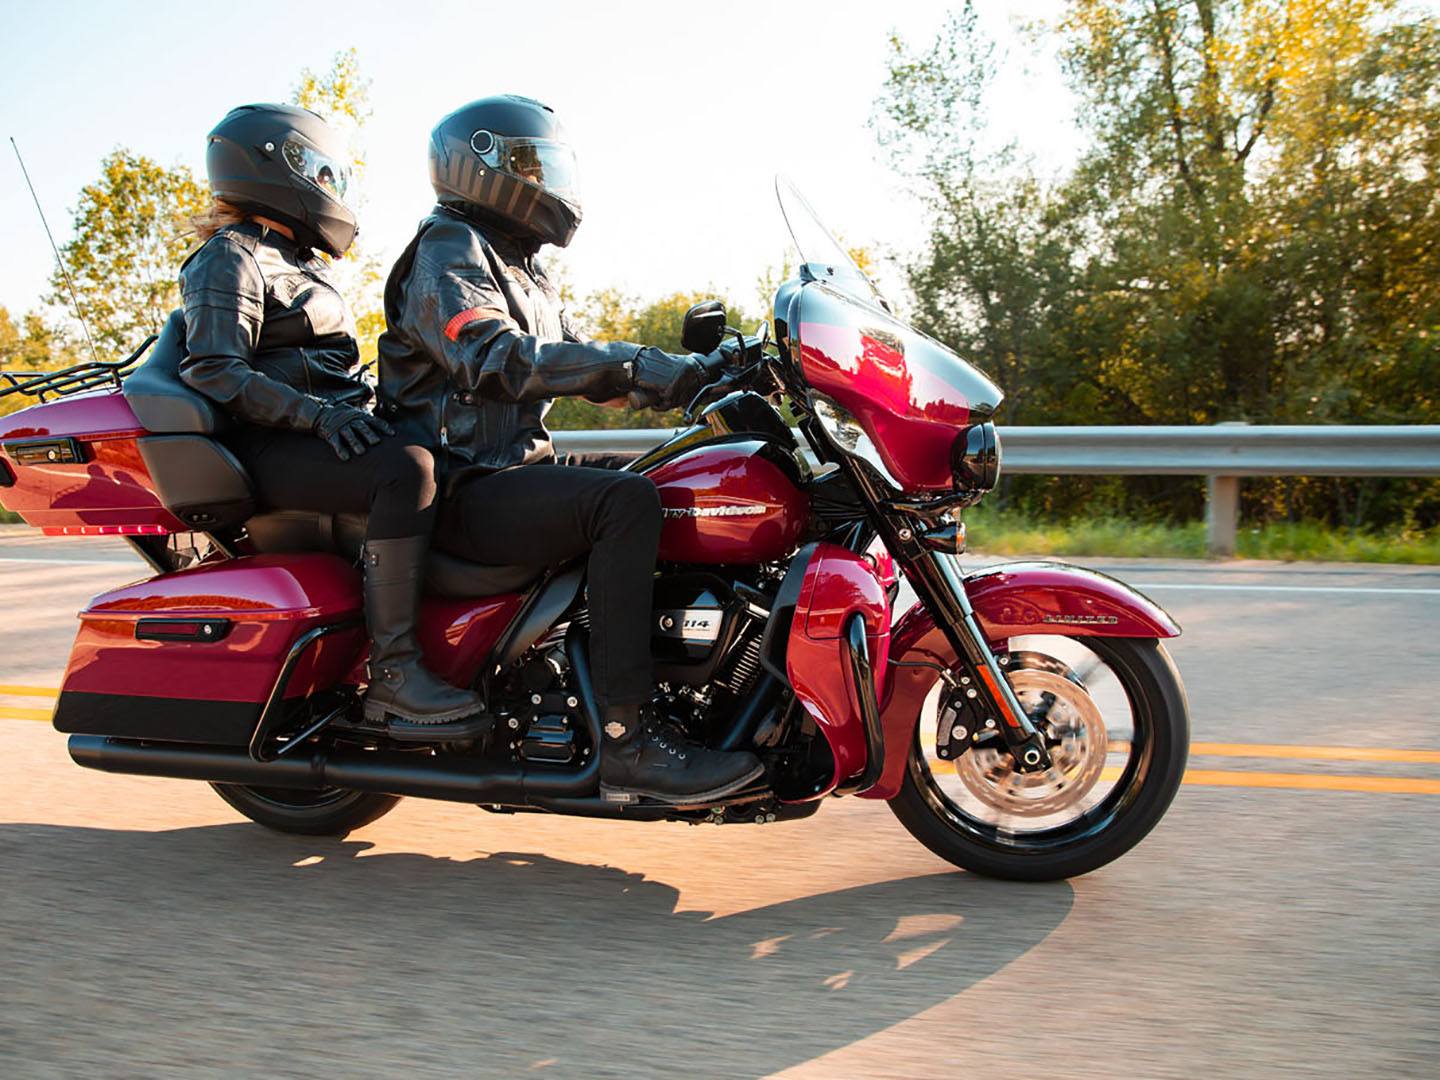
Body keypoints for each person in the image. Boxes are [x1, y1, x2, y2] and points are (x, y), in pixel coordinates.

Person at [377, 95, 763, 803]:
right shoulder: (447, 249)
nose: (551, 180)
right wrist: (632, 362)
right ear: (485, 164)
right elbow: (496, 359)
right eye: (535, 164)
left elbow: (584, 369)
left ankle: (695, 686)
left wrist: (702, 372)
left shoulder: (520, 266)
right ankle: (629, 740)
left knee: (681, 481)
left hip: (513, 472)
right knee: (626, 503)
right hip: (460, 485)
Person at [178, 103, 482, 737]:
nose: (331, 189)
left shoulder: (293, 261)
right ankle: (395, 674)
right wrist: (314, 416)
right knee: (407, 468)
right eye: (322, 172)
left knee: (444, 457)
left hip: (320, 433)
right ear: (278, 164)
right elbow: (215, 370)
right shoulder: (229, 256)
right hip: (270, 445)